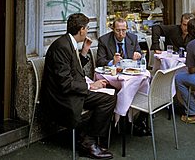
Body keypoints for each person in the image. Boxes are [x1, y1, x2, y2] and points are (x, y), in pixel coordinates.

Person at [42, 13, 116, 160]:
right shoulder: (62, 46)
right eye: (87, 28)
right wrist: (90, 86)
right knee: (108, 99)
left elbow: (72, 69)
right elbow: (65, 83)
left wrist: (84, 52)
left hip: (70, 90)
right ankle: (88, 142)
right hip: (61, 98)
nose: (87, 31)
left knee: (111, 94)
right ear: (81, 30)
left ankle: (88, 138)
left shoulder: (68, 42)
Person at [97, 17, 150, 136]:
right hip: (113, 78)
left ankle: (138, 121)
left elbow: (140, 55)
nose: (121, 34)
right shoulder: (104, 40)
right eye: (118, 30)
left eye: (123, 30)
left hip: (130, 75)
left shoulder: (133, 38)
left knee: (144, 86)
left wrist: (139, 56)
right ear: (112, 29)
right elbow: (99, 62)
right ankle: (120, 120)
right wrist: (112, 62)